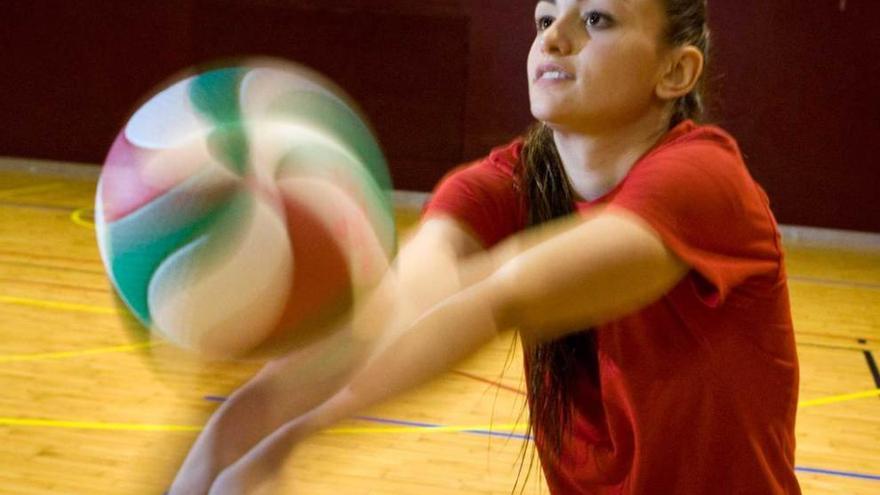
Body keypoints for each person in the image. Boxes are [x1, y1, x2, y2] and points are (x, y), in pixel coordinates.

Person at [169, 0, 802, 493]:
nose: (554, 38)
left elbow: (503, 293)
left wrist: (294, 437)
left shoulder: (703, 181)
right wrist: (240, 423)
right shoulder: (506, 182)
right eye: (545, 18)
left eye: (598, 19)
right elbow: (400, 307)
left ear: (675, 71)